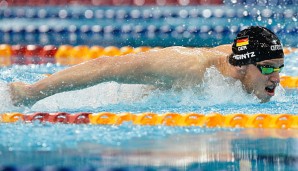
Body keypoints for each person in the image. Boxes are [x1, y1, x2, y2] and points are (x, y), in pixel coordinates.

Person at [9, 26, 284, 107]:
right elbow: (107, 66)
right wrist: (33, 92)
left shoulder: (243, 70)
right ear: (242, 66)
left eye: (279, 68)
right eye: (269, 68)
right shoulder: (187, 67)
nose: (277, 78)